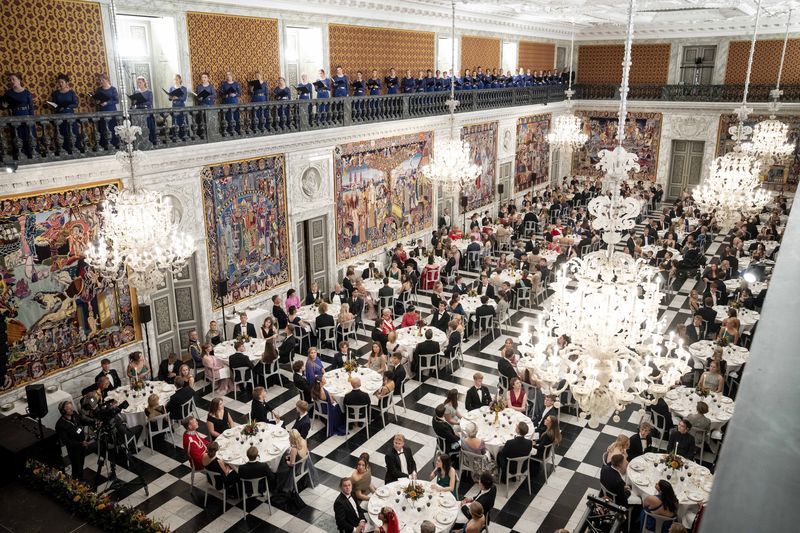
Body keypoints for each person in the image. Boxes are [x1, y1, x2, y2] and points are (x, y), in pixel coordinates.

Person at [55, 400, 95, 481]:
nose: (72, 409)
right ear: (63, 411)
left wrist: (93, 422)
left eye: (72, 407)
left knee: (81, 464)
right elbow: (66, 441)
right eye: (69, 409)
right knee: (76, 466)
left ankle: (81, 479)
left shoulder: (74, 414)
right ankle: (75, 482)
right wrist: (80, 444)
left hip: (82, 445)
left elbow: (82, 421)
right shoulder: (60, 425)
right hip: (74, 449)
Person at [50, 73, 81, 152]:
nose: (60, 84)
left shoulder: (71, 92)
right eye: (59, 82)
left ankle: (76, 149)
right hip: (60, 116)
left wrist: (67, 106)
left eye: (62, 82)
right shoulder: (56, 93)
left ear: (67, 83)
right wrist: (57, 107)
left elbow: (76, 104)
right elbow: (54, 105)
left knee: (73, 132)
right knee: (62, 133)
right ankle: (65, 150)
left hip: (70, 115)